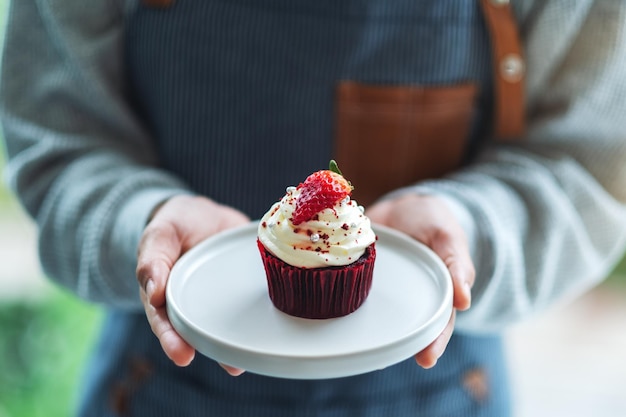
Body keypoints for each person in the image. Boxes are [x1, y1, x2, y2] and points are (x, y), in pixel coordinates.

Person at [2, 0, 626, 416]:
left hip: (440, 389)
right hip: (163, 376)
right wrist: (140, 220)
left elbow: (591, 163)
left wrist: (470, 231)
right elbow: (57, 134)